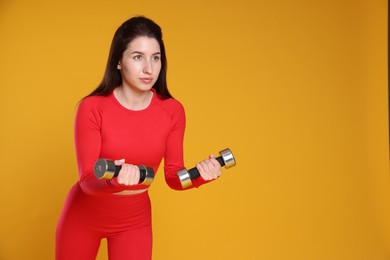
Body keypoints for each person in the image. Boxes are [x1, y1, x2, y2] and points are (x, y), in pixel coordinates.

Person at [55, 16, 221, 260]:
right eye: (137, 57)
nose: (149, 69)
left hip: (134, 221)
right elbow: (87, 180)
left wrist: (200, 175)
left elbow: (174, 176)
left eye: (155, 58)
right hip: (83, 217)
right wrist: (117, 180)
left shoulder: (172, 111)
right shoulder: (92, 108)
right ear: (119, 62)